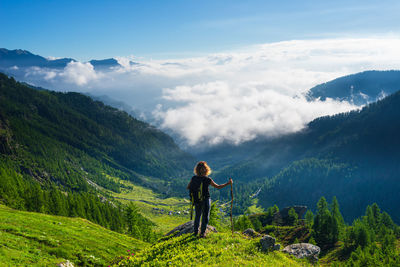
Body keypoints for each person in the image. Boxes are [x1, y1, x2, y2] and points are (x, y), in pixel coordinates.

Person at [187, 161, 233, 238]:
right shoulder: (207, 179)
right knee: (205, 216)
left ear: (197, 170)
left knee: (197, 216)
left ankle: (195, 232)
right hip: (205, 199)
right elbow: (218, 186)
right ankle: (202, 233)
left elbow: (189, 187)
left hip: (197, 200)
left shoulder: (193, 178)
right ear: (206, 169)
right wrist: (228, 183)